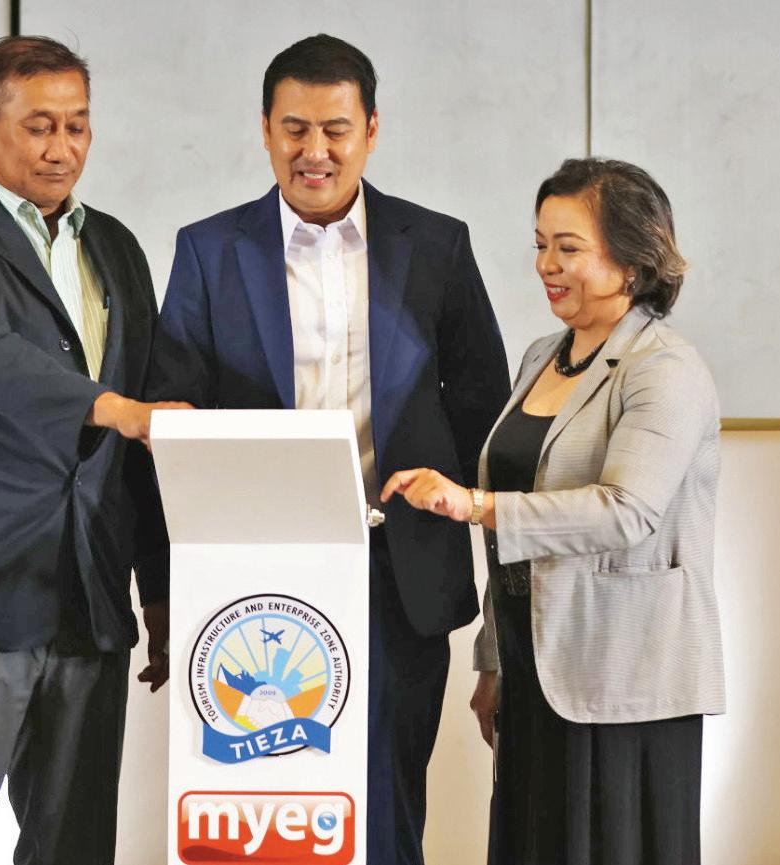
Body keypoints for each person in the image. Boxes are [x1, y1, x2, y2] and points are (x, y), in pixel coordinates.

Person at [145, 34, 510, 865]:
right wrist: (161, 582)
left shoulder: (437, 244)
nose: (315, 151)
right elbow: (173, 416)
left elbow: (479, 406)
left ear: (371, 130)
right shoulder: (208, 248)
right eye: (295, 128)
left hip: (402, 569)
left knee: (388, 798)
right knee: (264, 806)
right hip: (253, 572)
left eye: (336, 129)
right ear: (264, 129)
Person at [0, 36, 186, 865]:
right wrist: (114, 409)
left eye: (77, 126)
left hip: (87, 599)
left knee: (76, 848)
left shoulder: (115, 247)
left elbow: (137, 452)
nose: (62, 149)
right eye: (40, 126)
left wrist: (157, 588)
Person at [382, 157, 725, 865]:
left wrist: (472, 503)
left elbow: (625, 511)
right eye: (540, 244)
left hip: (624, 674)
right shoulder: (542, 355)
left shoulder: (665, 366)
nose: (546, 265)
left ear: (631, 260)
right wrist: (492, 660)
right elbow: (514, 528)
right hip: (530, 662)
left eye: (568, 248)